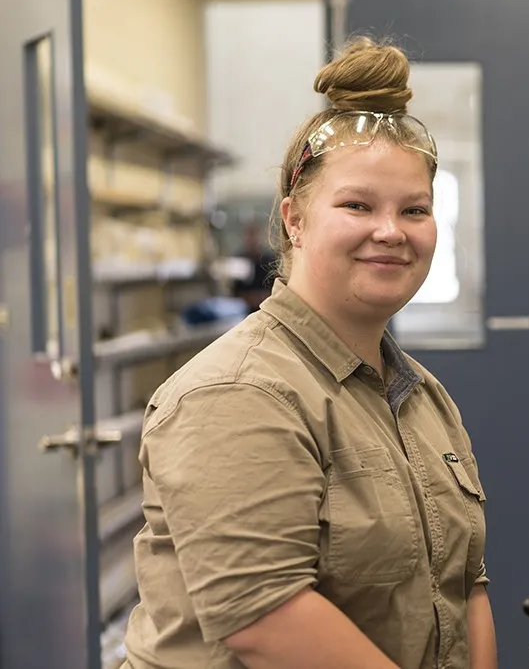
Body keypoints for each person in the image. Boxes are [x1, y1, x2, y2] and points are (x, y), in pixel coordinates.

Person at [121, 36, 496, 669]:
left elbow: (464, 584)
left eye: (415, 209)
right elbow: (265, 618)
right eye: (357, 205)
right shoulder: (239, 393)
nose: (391, 231)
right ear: (295, 219)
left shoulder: (421, 396)